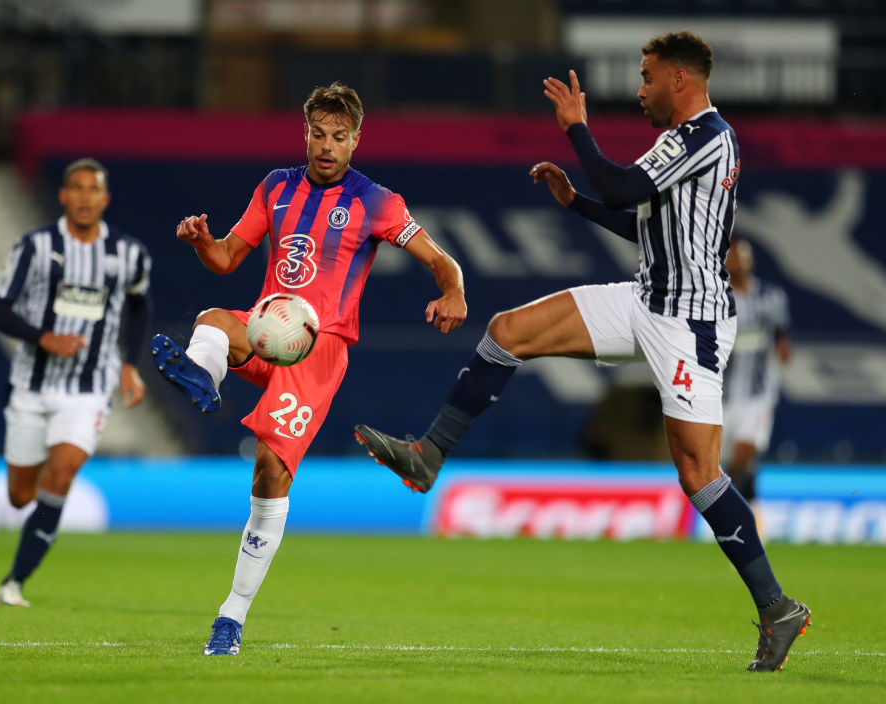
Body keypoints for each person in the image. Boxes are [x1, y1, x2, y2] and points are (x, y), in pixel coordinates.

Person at [354, 31, 810, 672]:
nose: (640, 87)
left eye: (648, 76)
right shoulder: (682, 142)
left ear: (680, 79)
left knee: (698, 473)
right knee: (509, 330)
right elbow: (637, 217)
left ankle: (777, 607)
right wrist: (576, 202)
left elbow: (626, 189)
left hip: (691, 324)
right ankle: (429, 455)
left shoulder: (704, 136)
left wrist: (577, 129)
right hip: (645, 300)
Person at [151, 82, 466, 656]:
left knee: (271, 471)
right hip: (270, 326)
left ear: (355, 140)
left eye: (338, 137)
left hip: (320, 350)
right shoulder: (275, 186)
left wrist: (453, 291)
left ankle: (232, 616)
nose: (326, 146)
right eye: (318, 134)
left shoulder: (377, 202)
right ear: (306, 133)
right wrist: (201, 242)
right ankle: (203, 376)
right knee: (213, 319)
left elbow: (439, 259)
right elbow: (226, 257)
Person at [0, 158, 152, 607]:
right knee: (21, 495)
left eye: (92, 189)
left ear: (105, 198)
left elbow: (138, 306)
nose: (83, 196)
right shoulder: (35, 247)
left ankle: (14, 582)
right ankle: (38, 484)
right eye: (75, 188)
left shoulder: (129, 254)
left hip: (88, 389)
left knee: (62, 472)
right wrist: (44, 338)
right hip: (32, 386)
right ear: (62, 196)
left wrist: (129, 365)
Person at [722, 238, 791, 503]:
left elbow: (782, 337)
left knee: (743, 453)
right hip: (720, 395)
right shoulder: (715, 298)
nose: (738, 262)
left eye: (743, 257)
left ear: (752, 261)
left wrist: (783, 351)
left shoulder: (771, 298)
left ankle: (735, 506)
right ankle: (747, 500)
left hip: (757, 395)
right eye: (734, 257)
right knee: (725, 462)